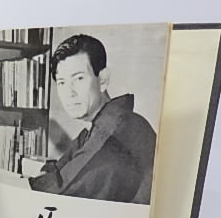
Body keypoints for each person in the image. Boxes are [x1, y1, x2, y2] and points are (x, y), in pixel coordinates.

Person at [28, 34, 157, 204]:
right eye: (61, 82)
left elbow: (60, 190)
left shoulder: (114, 129)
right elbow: (58, 168)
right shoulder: (98, 126)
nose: (69, 93)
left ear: (103, 80)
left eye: (79, 78)